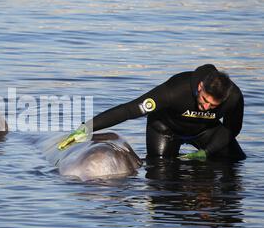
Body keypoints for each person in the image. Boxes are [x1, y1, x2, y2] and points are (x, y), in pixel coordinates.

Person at [58, 64, 246, 160]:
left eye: (213, 106)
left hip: (207, 131)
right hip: (166, 130)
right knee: (161, 171)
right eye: (204, 100)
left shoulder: (234, 97)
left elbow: (231, 130)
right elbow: (129, 110)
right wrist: (87, 127)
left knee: (236, 162)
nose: (205, 107)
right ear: (200, 87)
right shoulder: (174, 91)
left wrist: (207, 152)